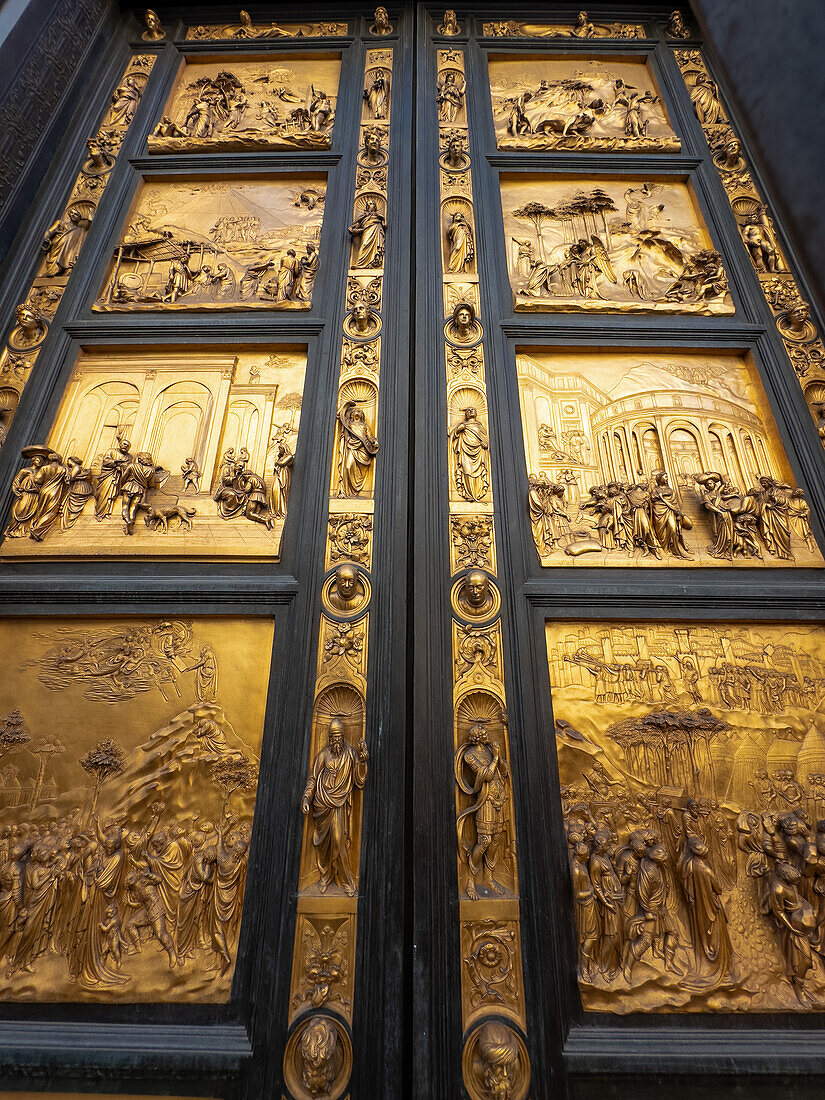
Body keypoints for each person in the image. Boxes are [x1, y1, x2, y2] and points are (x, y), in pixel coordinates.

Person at [301, 718, 369, 895]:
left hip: (339, 806)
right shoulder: (323, 755)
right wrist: (307, 798)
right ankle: (325, 877)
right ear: (330, 738)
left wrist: (362, 761)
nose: (336, 741)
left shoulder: (350, 754)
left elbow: (359, 780)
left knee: (339, 841)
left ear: (343, 737)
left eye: (339, 737)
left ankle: (346, 880)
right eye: (333, 738)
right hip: (322, 804)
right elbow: (313, 778)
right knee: (323, 846)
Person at [337, 401, 379, 496]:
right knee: (348, 466)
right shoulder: (348, 424)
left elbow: (369, 437)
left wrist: (374, 442)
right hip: (352, 447)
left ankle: (360, 490)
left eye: (360, 411)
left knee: (362, 471)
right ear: (352, 414)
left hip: (363, 449)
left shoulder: (364, 426)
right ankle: (348, 491)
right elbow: (339, 416)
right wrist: (345, 405)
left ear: (362, 415)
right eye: (356, 411)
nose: (358, 412)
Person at [449, 407, 489, 502]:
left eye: (473, 409)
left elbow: (485, 441)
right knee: (466, 471)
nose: (471, 411)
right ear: (466, 415)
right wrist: (458, 430)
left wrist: (485, 444)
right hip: (465, 452)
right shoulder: (463, 425)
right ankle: (469, 493)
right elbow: (451, 435)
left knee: (478, 474)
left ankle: (477, 493)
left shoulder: (480, 426)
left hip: (478, 453)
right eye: (468, 410)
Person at [349, 199, 386, 268]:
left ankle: (372, 262)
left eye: (373, 203)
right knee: (364, 244)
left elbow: (384, 225)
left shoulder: (378, 216)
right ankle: (360, 263)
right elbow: (355, 226)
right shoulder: (364, 216)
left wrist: (382, 219)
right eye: (370, 203)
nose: (371, 205)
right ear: (367, 206)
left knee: (375, 246)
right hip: (366, 231)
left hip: (376, 230)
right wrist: (354, 230)